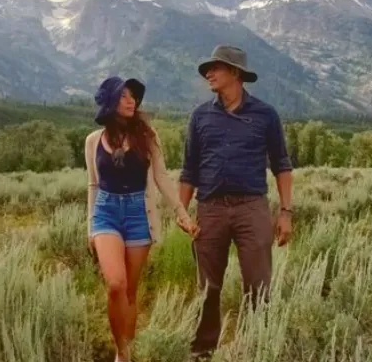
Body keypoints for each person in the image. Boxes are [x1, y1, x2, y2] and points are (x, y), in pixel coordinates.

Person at [179, 45, 294, 361]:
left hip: (252, 207)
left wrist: (285, 212)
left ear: (236, 74)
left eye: (215, 68)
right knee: (208, 288)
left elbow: (281, 165)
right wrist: (181, 210)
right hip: (210, 209)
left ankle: (258, 347)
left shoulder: (266, 115)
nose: (208, 74)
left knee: (258, 285)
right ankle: (202, 350)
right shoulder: (200, 116)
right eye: (208, 69)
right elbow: (189, 169)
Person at [85, 76, 199, 362]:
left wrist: (181, 212)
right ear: (110, 102)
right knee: (115, 285)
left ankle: (126, 354)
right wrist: (90, 227)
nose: (130, 100)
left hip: (139, 213)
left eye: (133, 95)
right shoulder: (93, 141)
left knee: (131, 292)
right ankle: (121, 351)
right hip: (106, 213)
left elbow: (161, 176)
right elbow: (93, 186)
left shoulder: (148, 136)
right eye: (123, 96)